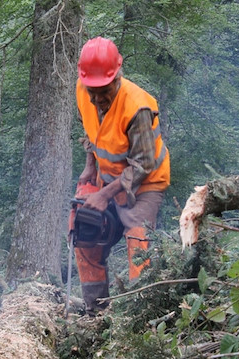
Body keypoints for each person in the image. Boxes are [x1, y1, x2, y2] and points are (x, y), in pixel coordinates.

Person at [73, 36, 171, 315]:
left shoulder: (136, 107)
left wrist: (105, 194)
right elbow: (93, 132)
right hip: (108, 178)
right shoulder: (84, 91)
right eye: (91, 90)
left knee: (138, 241)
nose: (96, 98)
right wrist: (90, 165)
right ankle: (96, 313)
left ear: (117, 75)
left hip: (146, 184)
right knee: (86, 233)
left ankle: (139, 315)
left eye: (103, 91)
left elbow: (142, 165)